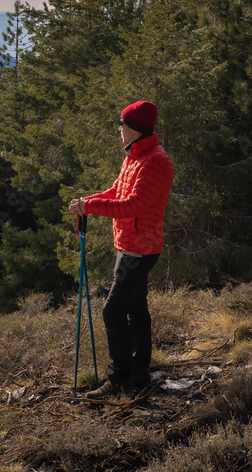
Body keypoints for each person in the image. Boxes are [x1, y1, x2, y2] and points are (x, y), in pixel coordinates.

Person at [69, 100, 174, 400]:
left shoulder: (155, 161)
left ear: (134, 128)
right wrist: (84, 201)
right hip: (130, 245)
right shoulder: (135, 155)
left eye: (122, 123)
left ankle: (119, 378)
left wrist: (89, 206)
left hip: (140, 248)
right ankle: (140, 373)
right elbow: (117, 192)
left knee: (113, 311)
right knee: (136, 308)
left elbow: (132, 206)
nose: (119, 128)